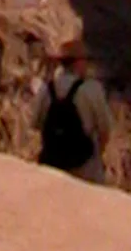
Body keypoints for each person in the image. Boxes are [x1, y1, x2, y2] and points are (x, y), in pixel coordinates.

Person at [32, 35, 112, 182]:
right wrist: (97, 154)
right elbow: (105, 130)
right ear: (78, 62)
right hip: (84, 165)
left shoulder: (47, 89)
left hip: (52, 162)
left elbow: (36, 124)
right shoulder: (92, 88)